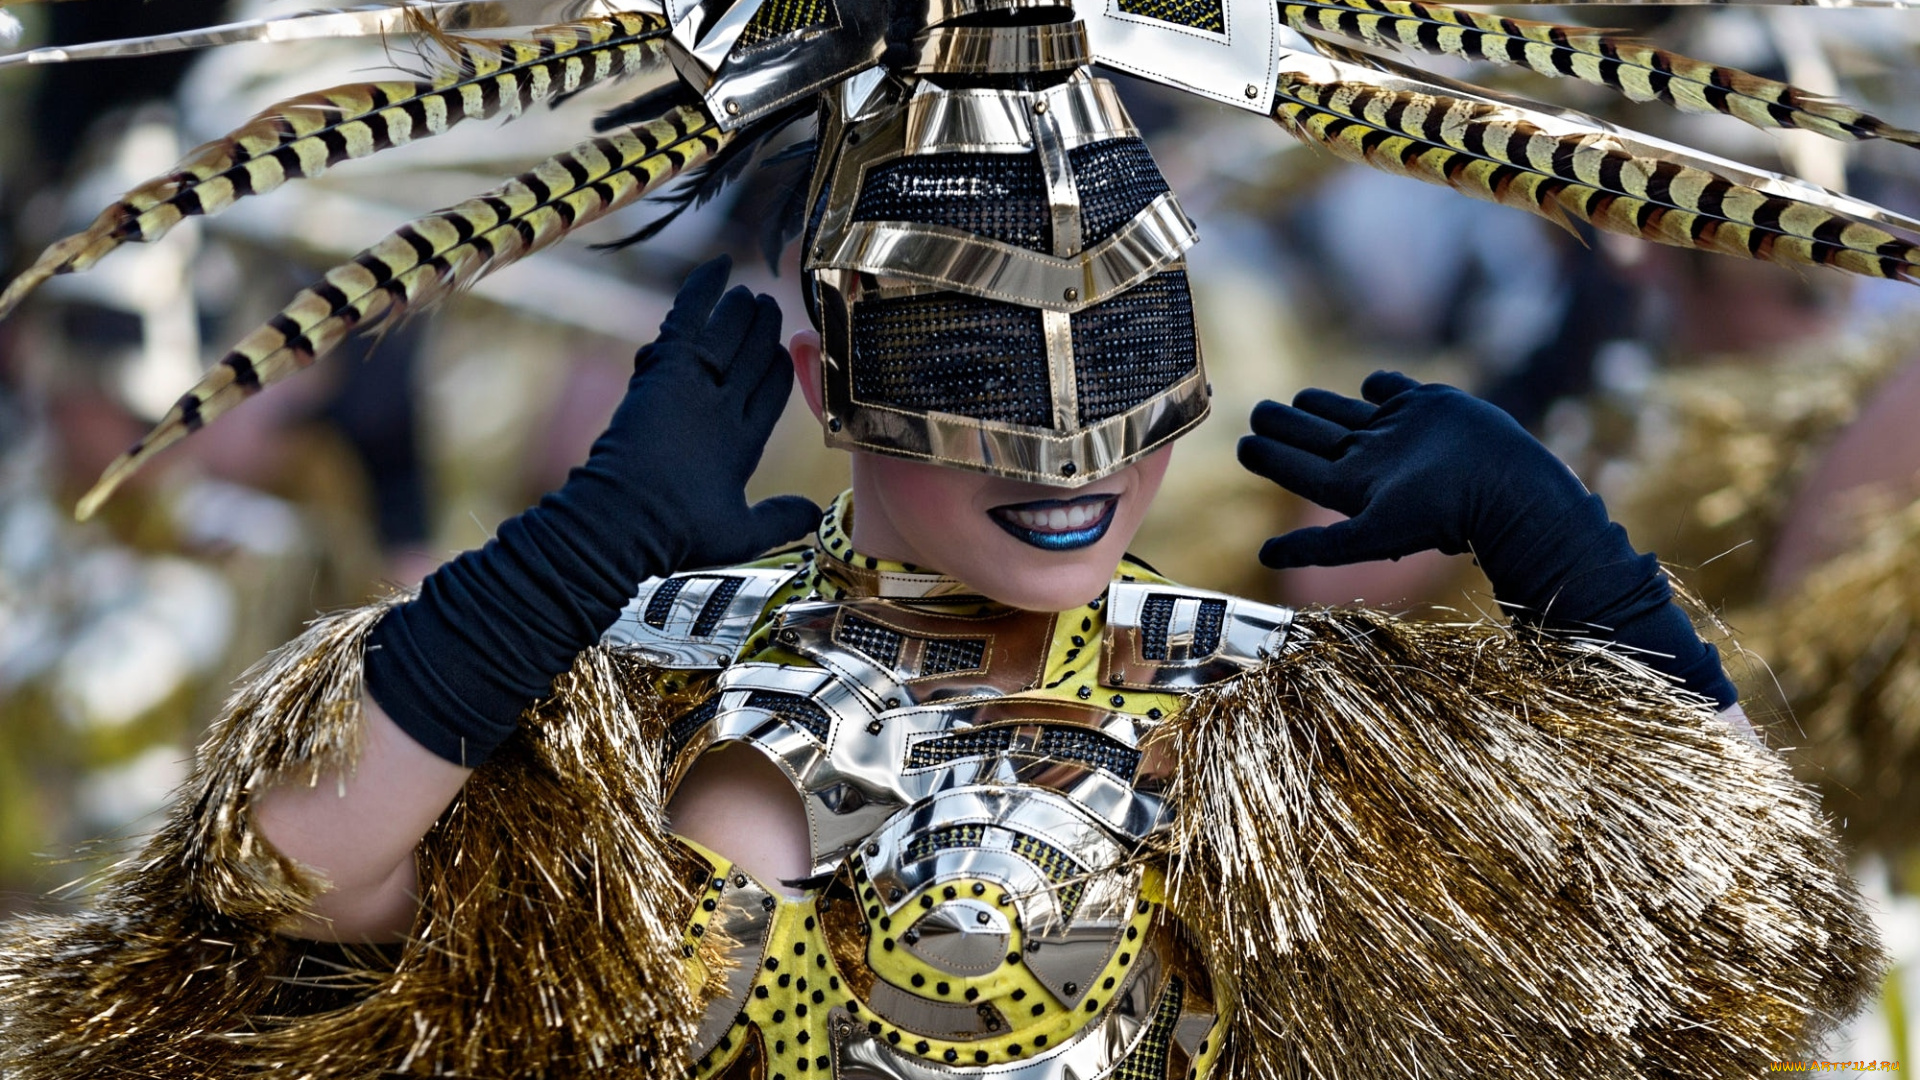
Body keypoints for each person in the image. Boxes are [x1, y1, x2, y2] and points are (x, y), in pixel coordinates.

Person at [0, 252, 1879, 1080]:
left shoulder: (1275, 704)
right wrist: (570, 559)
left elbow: (1742, 934)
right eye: (982, 367)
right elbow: (275, 892)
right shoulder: (638, 672)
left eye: (1123, 365)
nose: (1068, 449)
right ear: (828, 380)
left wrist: (1567, 554)